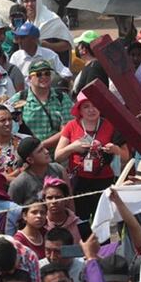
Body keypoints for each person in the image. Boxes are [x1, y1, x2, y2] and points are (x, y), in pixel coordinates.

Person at [55, 92, 128, 220]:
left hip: (104, 180)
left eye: (95, 105)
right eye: (86, 106)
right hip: (78, 180)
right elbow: (58, 156)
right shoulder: (71, 126)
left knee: (104, 219)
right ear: (79, 110)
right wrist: (72, 147)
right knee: (80, 219)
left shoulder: (110, 125)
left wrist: (115, 150)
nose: (91, 110)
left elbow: (126, 156)